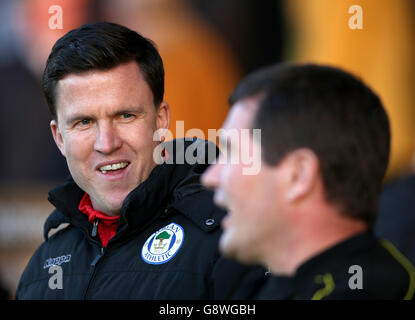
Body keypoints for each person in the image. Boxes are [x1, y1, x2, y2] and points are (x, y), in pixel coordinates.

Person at [15, 22, 265, 299]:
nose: (107, 144)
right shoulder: (44, 266)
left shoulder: (232, 238)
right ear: (59, 137)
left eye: (125, 116)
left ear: (161, 120)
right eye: (84, 122)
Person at [201, 63, 415, 299]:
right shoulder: (252, 279)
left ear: (299, 176)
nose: (210, 178)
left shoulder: (375, 290)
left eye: (232, 153)